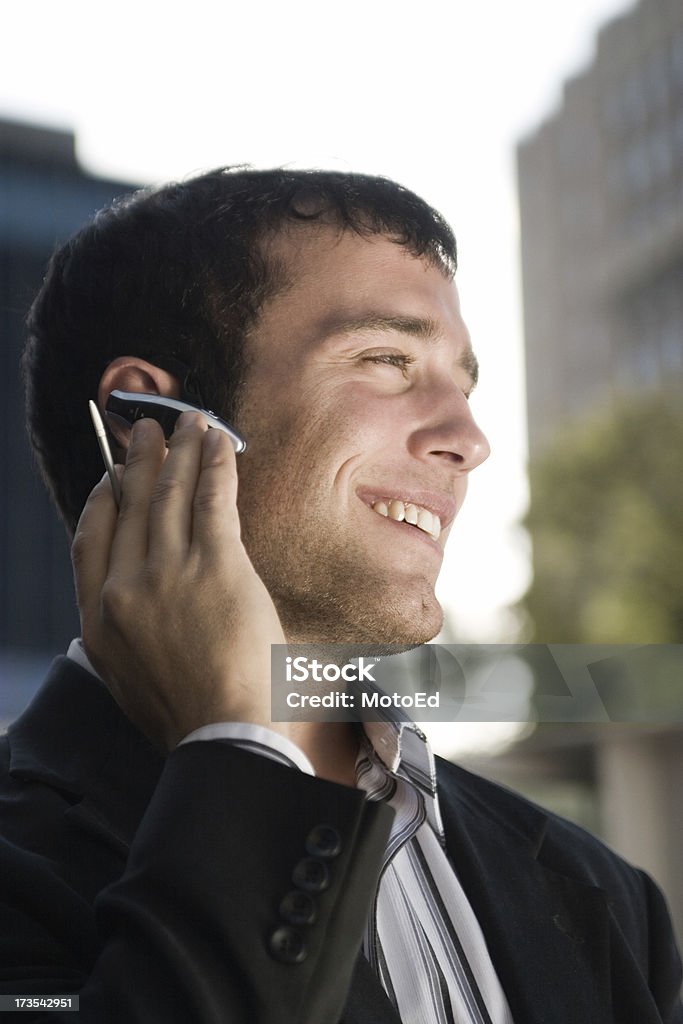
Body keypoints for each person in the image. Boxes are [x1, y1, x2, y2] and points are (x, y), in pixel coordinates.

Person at [1, 167, 681, 1023]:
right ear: (153, 430)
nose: (467, 441)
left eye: (462, 387)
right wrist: (237, 753)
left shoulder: (605, 895)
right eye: (387, 360)